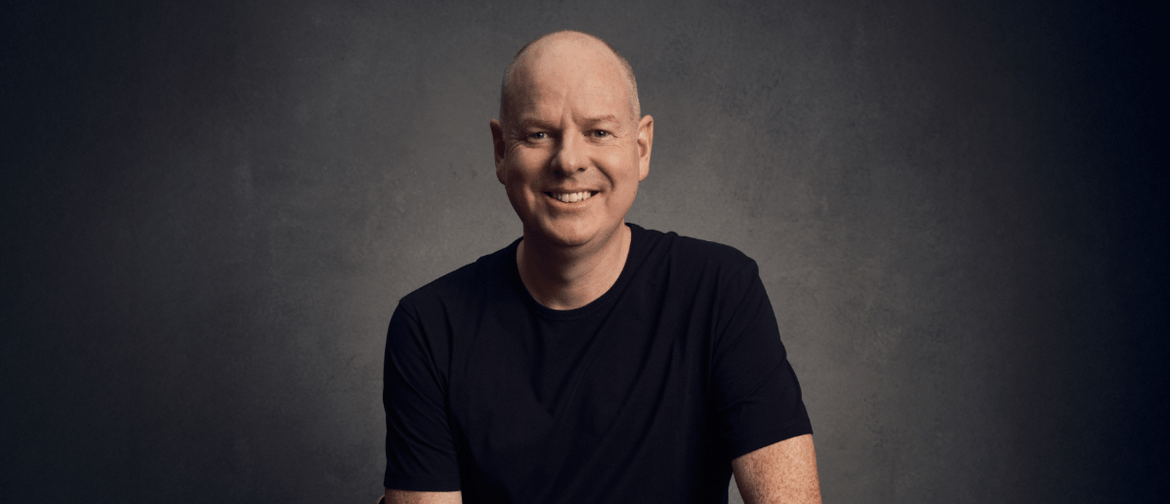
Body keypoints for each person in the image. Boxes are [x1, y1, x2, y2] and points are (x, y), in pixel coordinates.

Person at [382, 30, 821, 504]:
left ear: (642, 147)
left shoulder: (720, 290)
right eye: (538, 134)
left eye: (599, 132)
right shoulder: (429, 325)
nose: (569, 160)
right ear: (500, 151)